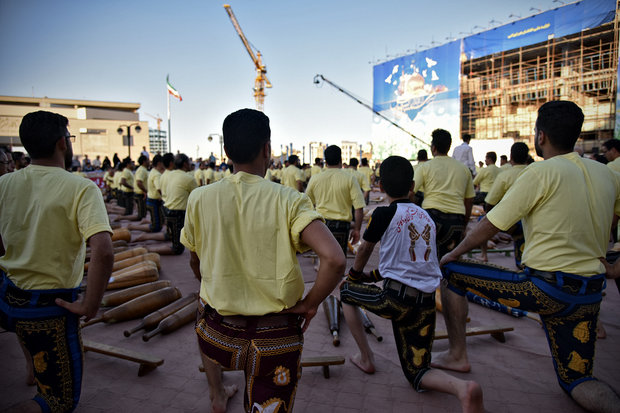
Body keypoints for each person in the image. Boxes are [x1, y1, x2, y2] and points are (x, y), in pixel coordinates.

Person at [436, 101, 620, 413]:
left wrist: (452, 254)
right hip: (589, 294)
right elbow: (613, 223)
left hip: (543, 290)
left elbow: (490, 225)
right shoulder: (606, 175)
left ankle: (457, 355)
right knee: (577, 380)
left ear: (541, 136)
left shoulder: (540, 172)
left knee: (453, 272)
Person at [181, 108, 344, 413]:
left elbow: (195, 261)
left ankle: (216, 393)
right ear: (268, 149)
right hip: (275, 342)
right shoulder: (289, 200)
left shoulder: (199, 198)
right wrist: (310, 304)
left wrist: (216, 286)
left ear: (227, 151)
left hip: (218, 336)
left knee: (203, 303)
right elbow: (334, 259)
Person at [340, 156, 484, 413]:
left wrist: (354, 276)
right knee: (418, 372)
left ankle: (366, 357)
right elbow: (402, 266)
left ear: (380, 186)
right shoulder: (426, 217)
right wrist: (372, 277)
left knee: (346, 293)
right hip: (425, 303)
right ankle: (461, 388)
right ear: (413, 185)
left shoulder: (384, 213)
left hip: (395, 301)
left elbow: (363, 250)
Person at [0, 111, 113, 412]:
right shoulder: (81, 188)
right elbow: (103, 250)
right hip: (49, 308)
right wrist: (90, 304)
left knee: (26, 338)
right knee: (58, 402)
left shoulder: (4, 183)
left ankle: (30, 370)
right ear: (63, 143)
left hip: (9, 299)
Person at [413, 129, 475, 259]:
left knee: (426, 258)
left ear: (433, 148)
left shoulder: (425, 167)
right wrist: (464, 225)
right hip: (456, 221)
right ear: (449, 147)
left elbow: (410, 192)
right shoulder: (464, 169)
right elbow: (469, 201)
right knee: (450, 260)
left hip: (430, 218)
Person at [305, 145, 366, 255]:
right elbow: (359, 208)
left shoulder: (315, 179)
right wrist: (357, 229)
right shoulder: (350, 178)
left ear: (325, 161)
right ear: (341, 159)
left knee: (323, 257)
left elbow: (306, 204)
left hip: (321, 224)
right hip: (341, 227)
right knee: (339, 260)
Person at [479, 142, 529, 265]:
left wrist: (489, 215)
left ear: (510, 157)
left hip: (512, 222)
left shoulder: (505, 175)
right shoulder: (536, 173)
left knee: (482, 221)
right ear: (527, 157)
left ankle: (484, 255)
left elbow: (490, 202)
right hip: (531, 220)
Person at [154, 153, 196, 255]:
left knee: (169, 236)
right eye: (189, 162)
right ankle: (148, 250)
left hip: (167, 209)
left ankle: (146, 246)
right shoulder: (188, 178)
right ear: (185, 164)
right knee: (177, 249)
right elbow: (197, 197)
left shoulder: (168, 174)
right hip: (177, 214)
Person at [134, 155, 150, 220]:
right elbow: (139, 183)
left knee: (143, 213)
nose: (149, 162)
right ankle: (131, 227)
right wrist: (145, 191)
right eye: (148, 160)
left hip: (142, 193)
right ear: (144, 161)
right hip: (140, 194)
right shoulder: (141, 170)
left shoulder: (144, 170)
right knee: (141, 215)